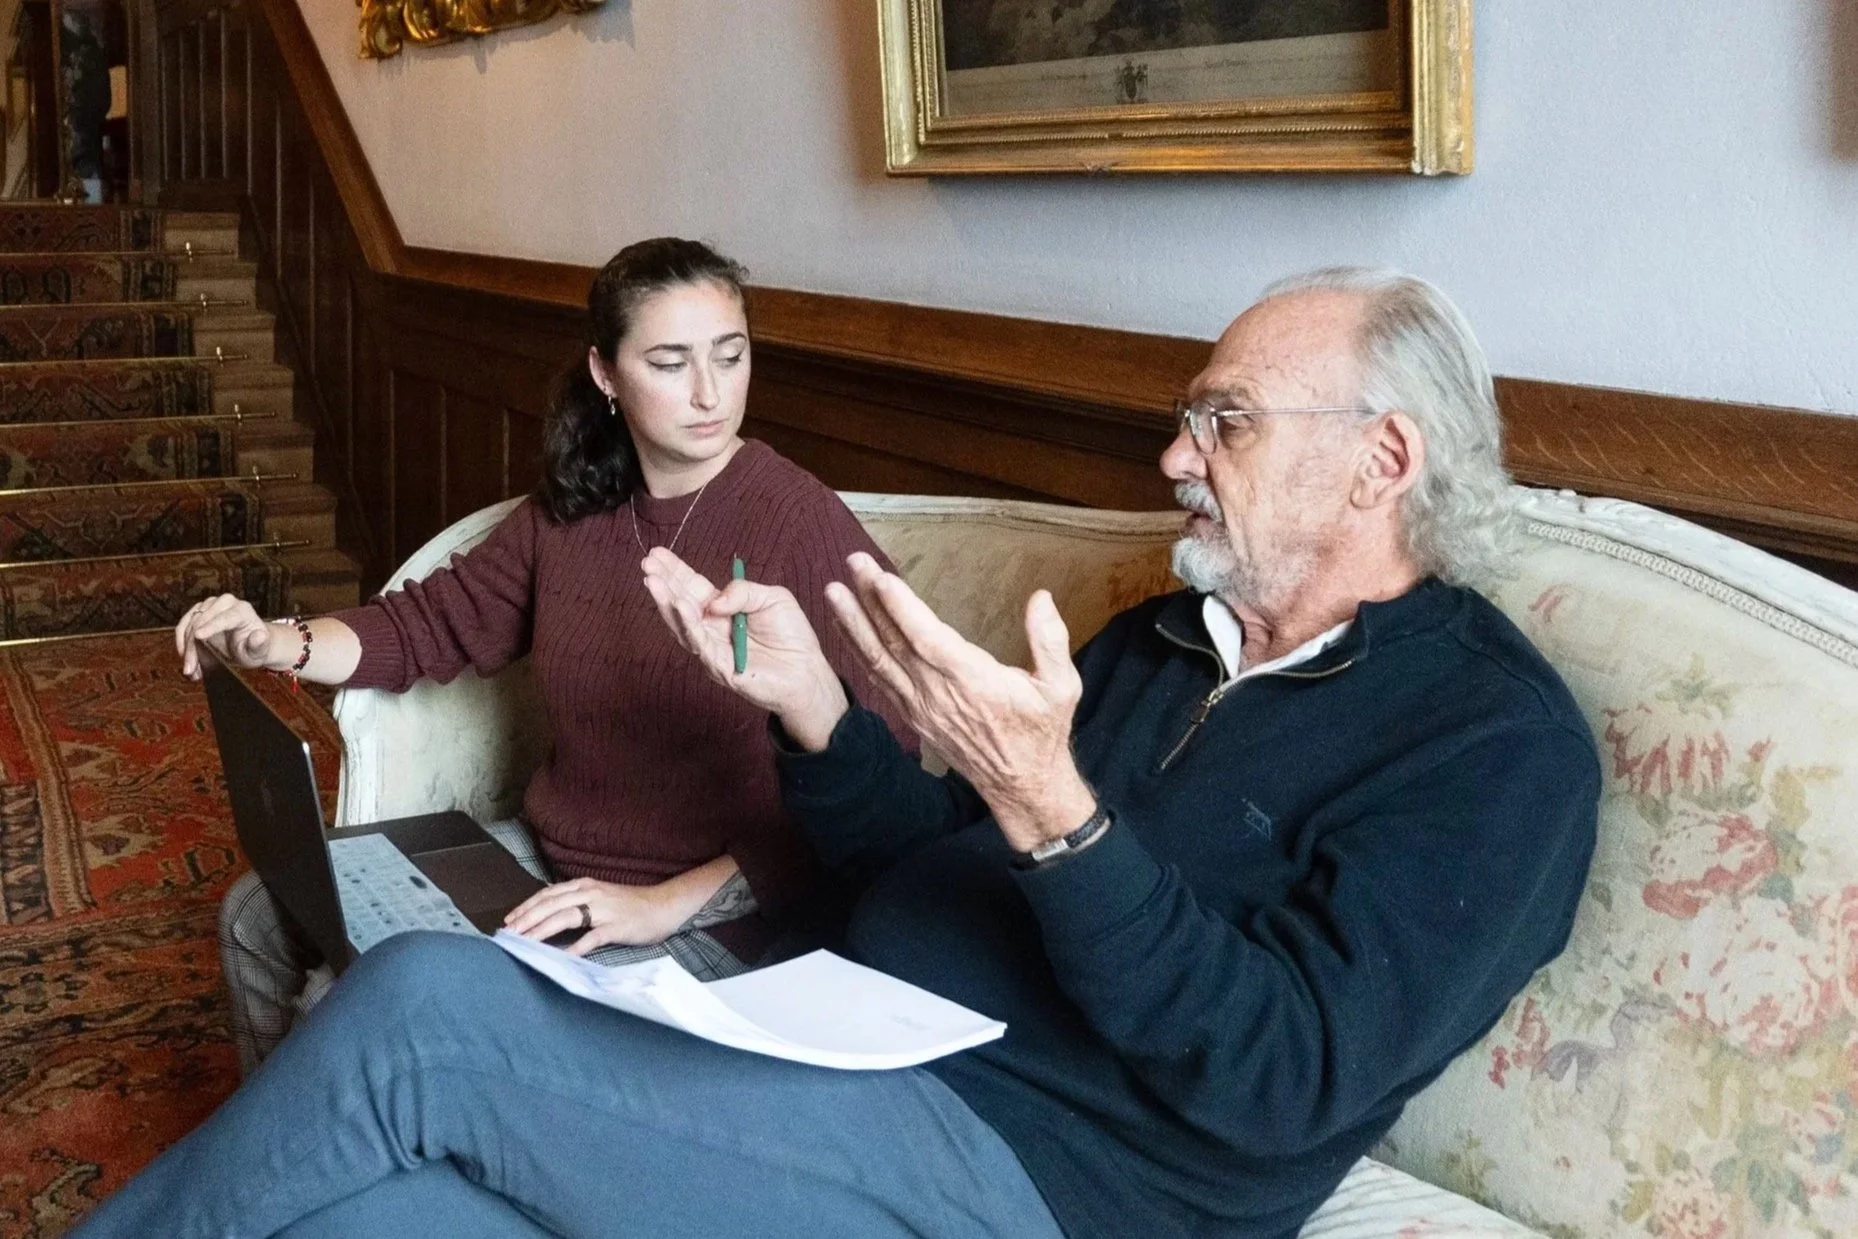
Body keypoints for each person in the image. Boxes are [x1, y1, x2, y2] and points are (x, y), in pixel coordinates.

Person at [84, 268, 1598, 1239]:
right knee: (374, 1214)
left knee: (423, 1006)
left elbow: (1284, 1074)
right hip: (842, 1051)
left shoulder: (1489, 743)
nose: (1172, 457)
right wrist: (815, 709)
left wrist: (1060, 820)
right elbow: (910, 848)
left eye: (1222, 421)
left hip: (1034, 1174)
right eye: (1185, 417)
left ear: (1379, 461)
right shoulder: (1161, 646)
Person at [175, 237, 911, 1076]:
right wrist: (275, 641)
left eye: (731, 355)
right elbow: (429, 624)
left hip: (720, 921)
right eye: (671, 362)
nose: (711, 393)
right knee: (256, 914)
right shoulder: (576, 506)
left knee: (390, 1013)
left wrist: (659, 905)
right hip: (548, 868)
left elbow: (888, 777)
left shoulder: (795, 518)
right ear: (606, 374)